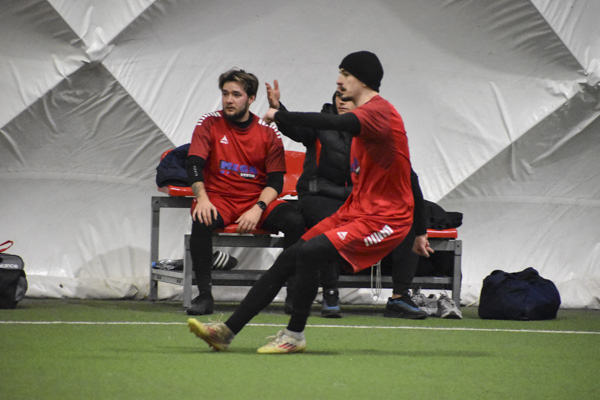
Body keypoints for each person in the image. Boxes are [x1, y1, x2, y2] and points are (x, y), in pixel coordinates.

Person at [188, 51, 426, 353]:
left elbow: (332, 124)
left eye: (345, 74)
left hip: (385, 219)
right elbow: (328, 127)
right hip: (356, 211)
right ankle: (226, 332)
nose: (339, 81)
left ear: (363, 80)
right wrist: (421, 232)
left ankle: (294, 336)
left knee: (310, 253)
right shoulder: (362, 129)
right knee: (292, 256)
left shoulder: (379, 113)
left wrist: (280, 115)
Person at [266, 83, 432, 319]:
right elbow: (297, 128)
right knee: (331, 224)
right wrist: (279, 110)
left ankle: (399, 297)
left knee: (405, 223)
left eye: (348, 98)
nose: (342, 101)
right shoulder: (322, 124)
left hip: (358, 201)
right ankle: (330, 292)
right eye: (339, 97)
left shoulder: (374, 133)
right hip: (319, 196)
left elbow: (408, 177)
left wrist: (420, 230)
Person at [184, 68, 305, 315]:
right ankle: (205, 295)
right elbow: (194, 164)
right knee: (201, 219)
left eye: (236, 95)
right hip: (219, 198)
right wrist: (202, 199)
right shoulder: (209, 123)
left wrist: (257, 208)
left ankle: (294, 295)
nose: (229, 100)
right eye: (225, 93)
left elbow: (275, 182)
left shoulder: (268, 131)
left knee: (295, 221)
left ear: (251, 99)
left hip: (255, 199)